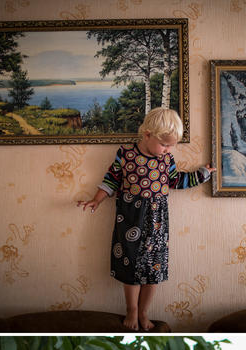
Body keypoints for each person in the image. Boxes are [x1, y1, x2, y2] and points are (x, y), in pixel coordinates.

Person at [77, 108, 213, 332]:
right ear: (147, 134)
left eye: (171, 146)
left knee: (153, 270)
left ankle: (143, 311)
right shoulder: (126, 154)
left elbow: (176, 181)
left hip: (157, 222)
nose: (168, 150)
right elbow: (111, 179)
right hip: (130, 218)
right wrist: (96, 200)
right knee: (130, 267)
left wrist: (202, 174)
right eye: (164, 144)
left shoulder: (166, 159)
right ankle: (131, 309)